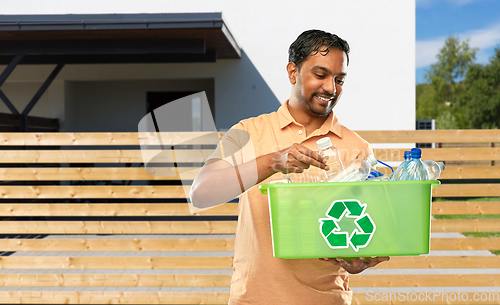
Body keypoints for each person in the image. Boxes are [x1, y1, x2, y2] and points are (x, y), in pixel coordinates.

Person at [190, 29, 389, 305]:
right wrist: (274, 162)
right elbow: (201, 192)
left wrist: (362, 259)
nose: (331, 88)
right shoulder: (246, 132)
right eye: (320, 75)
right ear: (293, 72)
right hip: (255, 299)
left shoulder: (358, 148)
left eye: (339, 79)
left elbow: (369, 230)